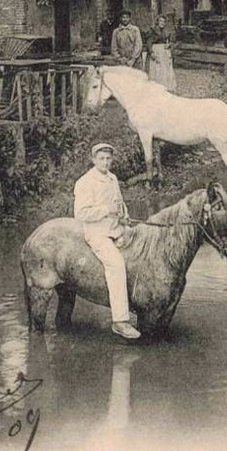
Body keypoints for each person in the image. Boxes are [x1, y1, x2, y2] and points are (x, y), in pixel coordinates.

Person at [73, 142, 141, 341]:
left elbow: (119, 203)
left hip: (116, 228)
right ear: (93, 160)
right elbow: (80, 213)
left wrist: (125, 216)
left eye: (108, 158)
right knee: (117, 265)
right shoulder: (85, 182)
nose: (105, 162)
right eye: (101, 158)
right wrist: (106, 210)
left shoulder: (113, 178)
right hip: (97, 232)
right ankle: (120, 321)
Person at [145, 14, 176, 91]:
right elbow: (149, 42)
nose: (162, 23)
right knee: (156, 69)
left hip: (164, 52)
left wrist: (169, 45)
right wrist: (151, 52)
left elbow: (171, 41)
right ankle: (156, 87)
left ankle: (165, 86)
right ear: (157, 22)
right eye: (160, 21)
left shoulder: (166, 31)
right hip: (156, 51)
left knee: (165, 69)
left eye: (164, 21)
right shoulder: (152, 30)